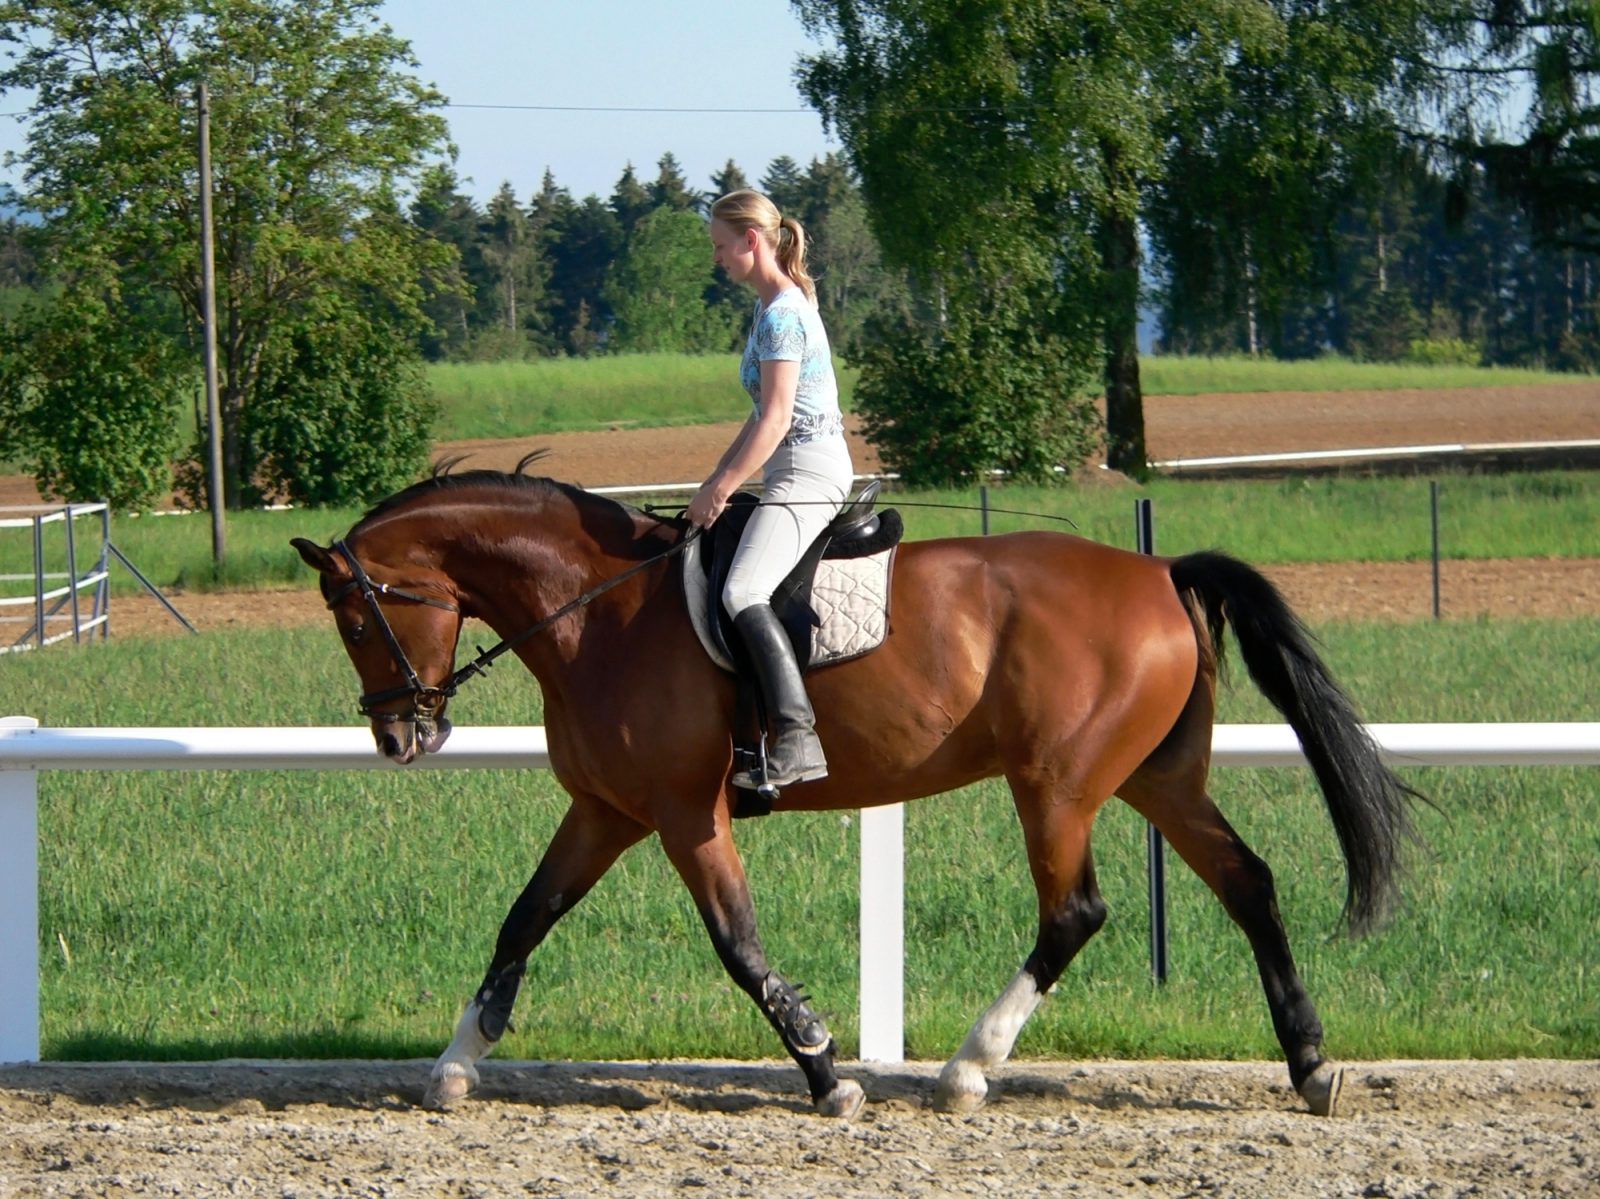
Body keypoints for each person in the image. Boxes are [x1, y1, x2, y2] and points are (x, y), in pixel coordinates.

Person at [687, 190, 855, 789]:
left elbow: (778, 419)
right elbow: (759, 416)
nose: (717, 258)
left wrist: (723, 488)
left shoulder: (783, 314)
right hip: (786, 467)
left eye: (720, 246)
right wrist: (716, 481)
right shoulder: (768, 310)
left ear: (751, 241)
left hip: (809, 470)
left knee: (742, 590)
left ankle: (798, 737)